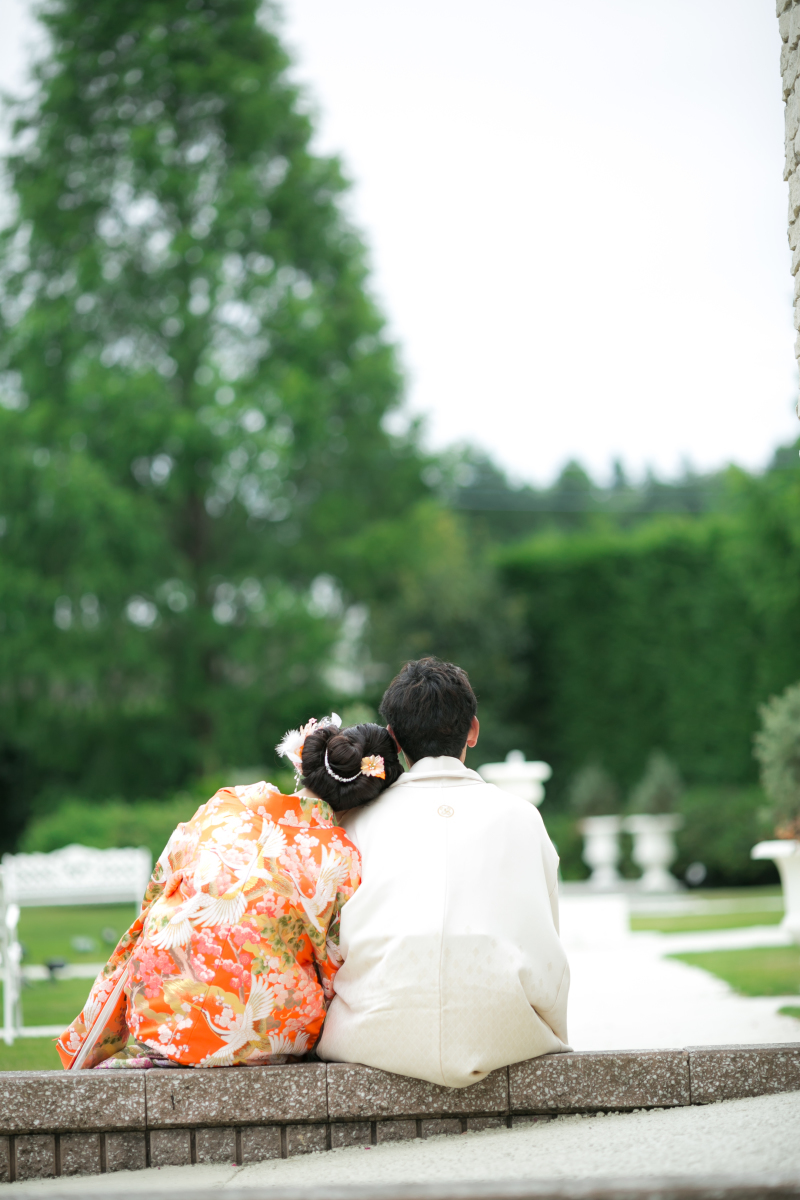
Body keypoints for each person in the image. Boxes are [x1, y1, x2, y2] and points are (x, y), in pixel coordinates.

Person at [57, 717, 401, 1070]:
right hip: (261, 1033)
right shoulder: (339, 857)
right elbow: (334, 964)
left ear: (309, 760)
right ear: (363, 801)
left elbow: (161, 885)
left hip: (162, 1013)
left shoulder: (229, 802)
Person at [317, 658, 570, 1088]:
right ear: (473, 730)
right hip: (506, 1032)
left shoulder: (354, 822)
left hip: (371, 1032)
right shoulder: (523, 817)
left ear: (394, 738)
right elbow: (546, 940)